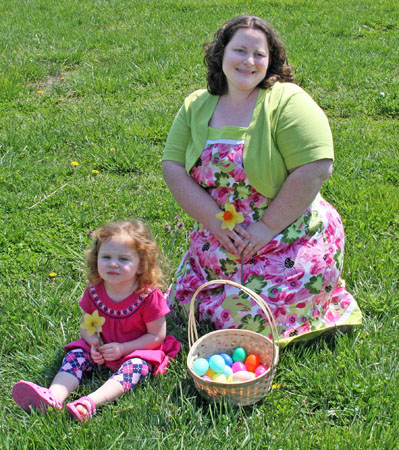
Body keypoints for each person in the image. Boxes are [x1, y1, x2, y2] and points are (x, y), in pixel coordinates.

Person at [162, 15, 362, 347]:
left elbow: (316, 167)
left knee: (252, 318)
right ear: (221, 54)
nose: (249, 61)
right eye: (240, 50)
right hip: (222, 234)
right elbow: (173, 167)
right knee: (191, 302)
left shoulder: (287, 101)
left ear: (271, 62)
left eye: (259, 54)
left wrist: (266, 228)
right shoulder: (196, 105)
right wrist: (215, 223)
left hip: (288, 233)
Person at [12, 220, 180, 421]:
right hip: (102, 349)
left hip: (136, 350)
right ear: (96, 259)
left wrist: (123, 349)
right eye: (106, 256)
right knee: (75, 355)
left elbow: (156, 337)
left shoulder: (148, 296)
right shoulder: (94, 291)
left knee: (136, 367)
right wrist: (93, 344)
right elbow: (87, 326)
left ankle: (90, 402)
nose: (113, 264)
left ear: (141, 265)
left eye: (124, 259)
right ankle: (54, 396)